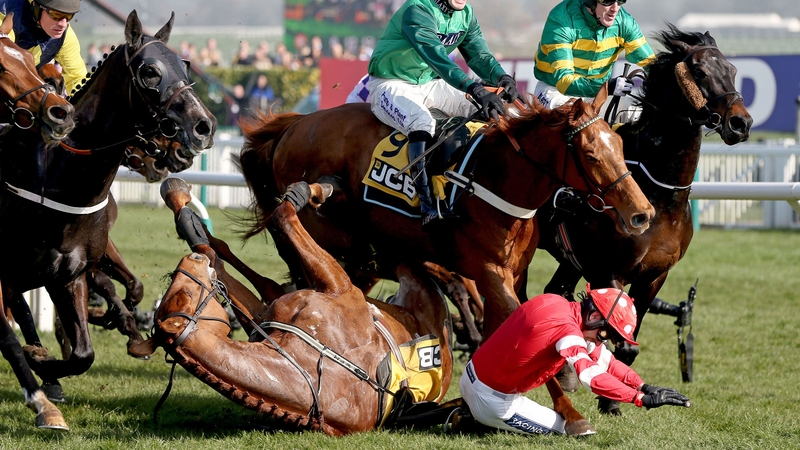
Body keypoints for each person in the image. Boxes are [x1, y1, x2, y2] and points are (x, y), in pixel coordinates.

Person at [459, 284, 690, 435]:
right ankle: (472, 420)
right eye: (606, 333)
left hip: (471, 374)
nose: (604, 341)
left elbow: (606, 362)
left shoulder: (558, 303)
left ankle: (469, 415)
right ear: (595, 316)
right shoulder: (568, 333)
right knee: (573, 432)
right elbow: (592, 377)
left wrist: (643, 386)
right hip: (491, 402)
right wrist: (640, 399)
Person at [366, 0, 519, 226]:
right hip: (390, 83)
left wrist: (501, 77)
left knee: (494, 110)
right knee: (422, 122)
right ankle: (427, 205)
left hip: (428, 83)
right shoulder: (418, 8)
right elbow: (437, 57)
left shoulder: (465, 14)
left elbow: (479, 55)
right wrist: (474, 88)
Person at [533, 0, 655, 124]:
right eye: (608, 1)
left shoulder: (625, 22)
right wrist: (607, 87)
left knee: (642, 118)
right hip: (554, 91)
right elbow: (564, 82)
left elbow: (653, 65)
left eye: (620, 1)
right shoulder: (561, 20)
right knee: (577, 121)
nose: (615, 8)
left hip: (598, 95)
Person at [0, 0, 88, 95]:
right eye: (56, 15)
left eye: (69, 16)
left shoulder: (66, 36)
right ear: (37, 8)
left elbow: (77, 78)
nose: (63, 24)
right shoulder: (5, 15)